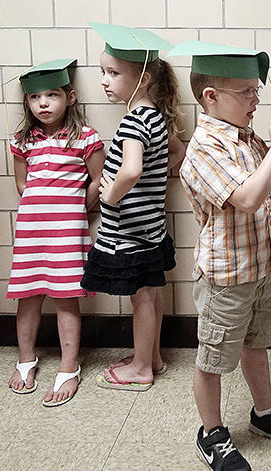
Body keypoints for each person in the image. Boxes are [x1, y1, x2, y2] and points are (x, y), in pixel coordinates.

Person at [170, 40, 271, 471]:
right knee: (212, 358)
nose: (256, 98)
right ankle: (211, 433)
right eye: (246, 91)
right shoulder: (204, 150)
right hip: (226, 278)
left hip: (261, 268)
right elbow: (249, 198)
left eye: (257, 90)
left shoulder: (247, 138)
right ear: (211, 96)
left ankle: (264, 412)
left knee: (257, 343)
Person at [81, 23, 185, 391]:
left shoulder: (132, 121)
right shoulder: (156, 115)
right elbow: (176, 150)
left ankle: (141, 367)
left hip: (129, 233)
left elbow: (132, 168)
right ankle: (152, 357)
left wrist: (109, 196)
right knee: (151, 295)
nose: (104, 81)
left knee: (141, 299)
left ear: (142, 79)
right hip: (151, 229)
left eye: (113, 73)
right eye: (102, 72)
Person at [7, 59, 105, 407]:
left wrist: (79, 208)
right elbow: (23, 184)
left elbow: (97, 181)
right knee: (28, 296)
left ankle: (68, 366)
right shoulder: (22, 140)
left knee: (66, 299)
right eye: (35, 97)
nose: (43, 103)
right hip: (32, 232)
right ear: (27, 103)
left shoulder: (85, 138)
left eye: (52, 95)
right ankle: (26, 359)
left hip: (67, 232)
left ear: (71, 96)